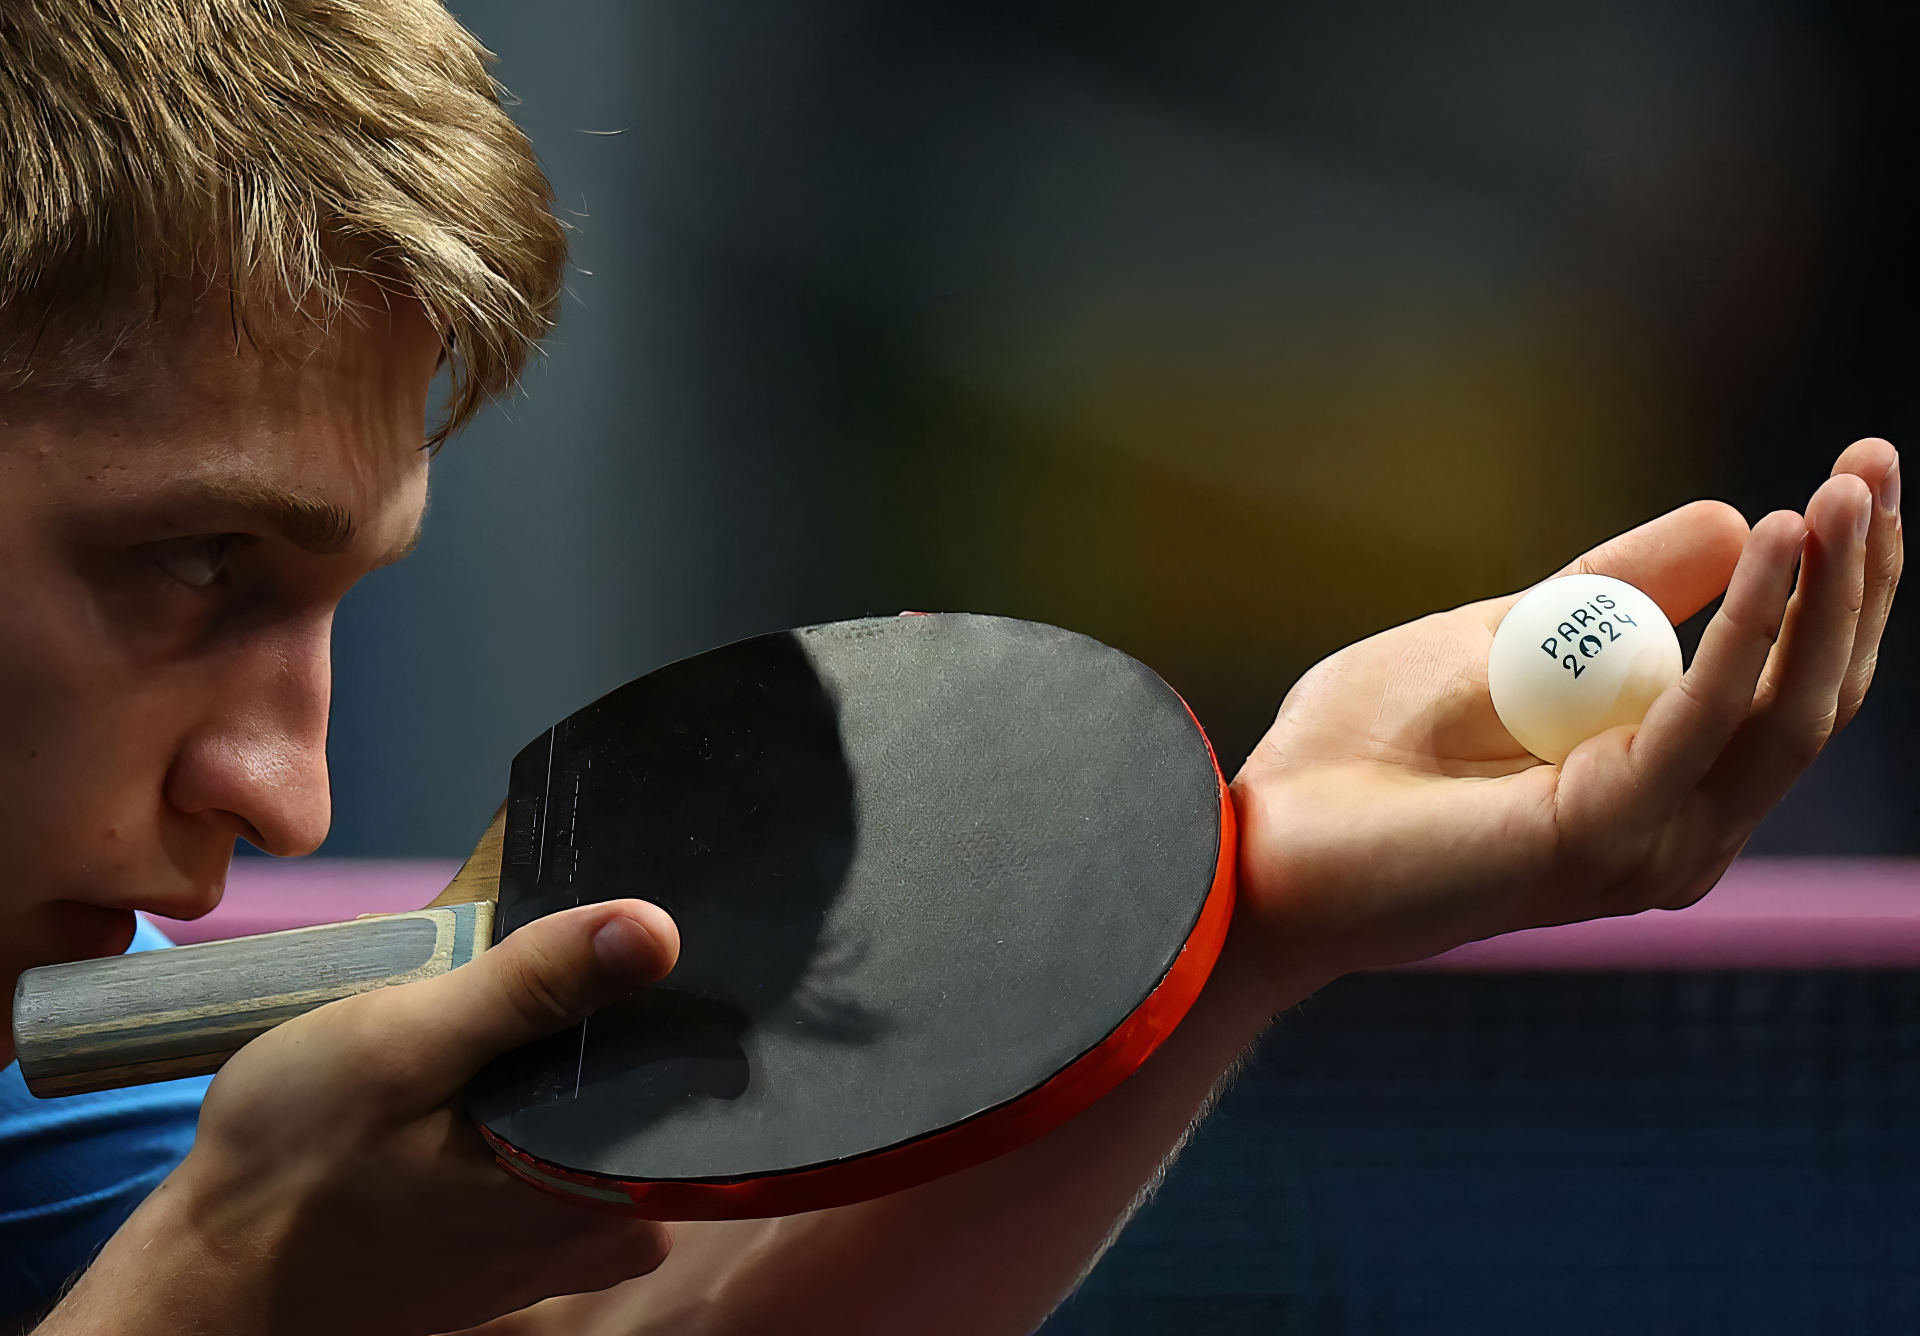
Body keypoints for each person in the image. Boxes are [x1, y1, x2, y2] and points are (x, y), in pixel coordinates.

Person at [0, 0, 1900, 1333]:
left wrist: (1248, 909)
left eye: (327, 597)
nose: (285, 791)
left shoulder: (53, 1048)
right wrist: (222, 1292)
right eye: (192, 564)